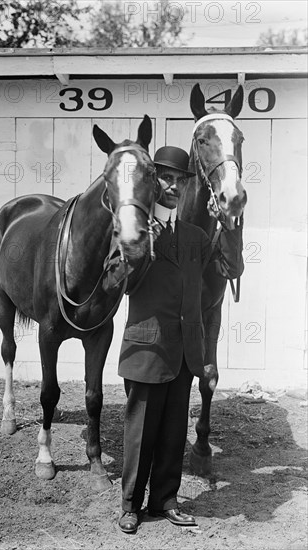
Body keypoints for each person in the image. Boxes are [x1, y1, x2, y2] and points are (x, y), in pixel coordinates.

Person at [117, 145, 244, 534]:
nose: (173, 186)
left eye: (180, 180)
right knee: (141, 432)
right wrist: (139, 249)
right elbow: (116, 284)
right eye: (166, 178)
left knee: (173, 431)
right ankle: (130, 506)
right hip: (147, 348)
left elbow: (231, 267)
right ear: (153, 182)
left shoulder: (193, 236)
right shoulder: (131, 228)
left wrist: (229, 223)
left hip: (186, 350)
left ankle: (165, 500)